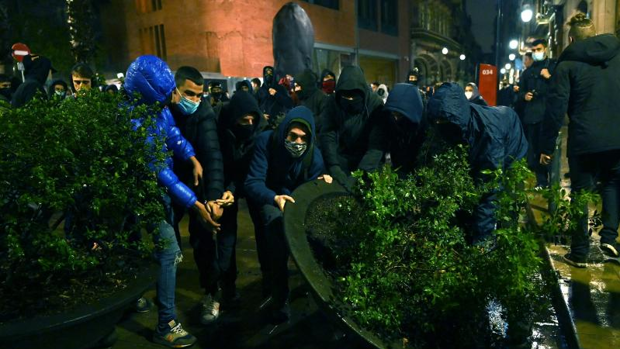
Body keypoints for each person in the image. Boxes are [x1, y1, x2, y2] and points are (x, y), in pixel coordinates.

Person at [124, 55, 216, 348]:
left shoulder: (155, 109)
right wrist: (194, 203)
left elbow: (172, 135)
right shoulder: (134, 118)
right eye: (170, 93)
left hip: (155, 191)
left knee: (137, 245)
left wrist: (191, 156)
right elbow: (158, 169)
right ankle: (165, 324)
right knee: (167, 250)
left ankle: (132, 299)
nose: (175, 99)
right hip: (142, 192)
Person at [540, 14, 620, 267]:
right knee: (612, 185)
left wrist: (546, 146)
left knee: (581, 193)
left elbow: (555, 108)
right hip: (617, 138)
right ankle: (610, 239)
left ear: (571, 38)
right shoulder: (616, 57)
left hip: (584, 139)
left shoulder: (566, 65)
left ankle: (579, 252)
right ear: (594, 35)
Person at [244, 106, 329, 323]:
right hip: (271, 197)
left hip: (296, 201)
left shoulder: (314, 156)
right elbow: (253, 182)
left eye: (303, 137)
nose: (298, 142)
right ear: (285, 132)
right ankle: (279, 299)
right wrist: (274, 198)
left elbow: (310, 188)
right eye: (293, 136)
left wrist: (320, 186)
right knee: (275, 242)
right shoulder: (267, 142)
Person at [427, 83, 528, 246]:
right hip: (492, 139)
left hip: (512, 146)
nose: (440, 124)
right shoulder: (452, 120)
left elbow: (489, 189)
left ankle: (503, 244)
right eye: (437, 121)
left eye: (443, 121)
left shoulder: (489, 134)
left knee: (505, 199)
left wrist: (481, 241)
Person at [214, 90, 266, 310]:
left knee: (264, 231)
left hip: (250, 181)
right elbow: (215, 160)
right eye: (245, 120)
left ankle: (269, 281)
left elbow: (251, 167)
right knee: (226, 238)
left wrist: (234, 189)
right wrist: (223, 191)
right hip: (225, 183)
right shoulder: (219, 129)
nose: (249, 123)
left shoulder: (260, 131)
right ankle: (227, 287)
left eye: (253, 119)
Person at [320, 65, 386, 190]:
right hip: (343, 156)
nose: (350, 100)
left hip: (368, 159)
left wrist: (360, 174)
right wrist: (333, 165)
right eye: (346, 97)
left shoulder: (375, 104)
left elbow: (376, 145)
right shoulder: (333, 102)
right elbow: (328, 133)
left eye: (354, 97)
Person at [518, 39, 556, 188]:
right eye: (533, 50)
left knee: (546, 150)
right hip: (531, 115)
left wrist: (550, 77)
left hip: (547, 115)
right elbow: (520, 91)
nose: (536, 53)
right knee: (533, 150)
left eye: (538, 49)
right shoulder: (528, 72)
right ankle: (541, 181)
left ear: (545, 49)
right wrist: (524, 96)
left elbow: (560, 88)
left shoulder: (553, 66)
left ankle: (549, 180)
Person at [383, 83, 426, 177]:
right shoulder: (390, 119)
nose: (396, 118)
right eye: (393, 114)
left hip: (418, 171)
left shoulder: (424, 122)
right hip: (398, 166)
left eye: (399, 115)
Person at [293, 68, 329, 134]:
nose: (296, 89)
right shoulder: (302, 98)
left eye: (298, 86)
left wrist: (305, 122)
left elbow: (324, 119)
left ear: (305, 85)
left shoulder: (321, 98)